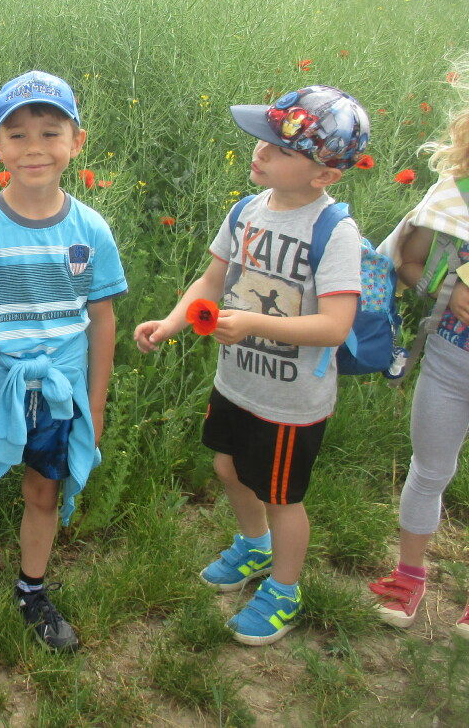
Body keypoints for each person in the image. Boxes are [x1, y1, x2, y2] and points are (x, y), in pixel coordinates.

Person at [134, 85, 371, 646]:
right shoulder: (246, 211)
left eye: (280, 149)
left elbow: (335, 325)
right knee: (228, 467)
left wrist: (252, 323)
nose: (260, 152)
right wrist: (172, 322)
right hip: (237, 382)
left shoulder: (334, 232)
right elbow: (212, 280)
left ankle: (284, 590)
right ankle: (254, 546)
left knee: (282, 496)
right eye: (262, 140)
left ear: (324, 175)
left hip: (290, 400)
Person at [0, 70, 127, 694]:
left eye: (50, 132)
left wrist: (94, 405)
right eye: (18, 134)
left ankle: (32, 590)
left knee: (44, 495)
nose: (35, 147)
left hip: (59, 396)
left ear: (76, 142)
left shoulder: (91, 230)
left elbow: (102, 320)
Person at [367, 96, 469, 632]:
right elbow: (406, 261)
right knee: (429, 469)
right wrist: (449, 291)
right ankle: (409, 576)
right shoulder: (454, 200)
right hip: (452, 362)